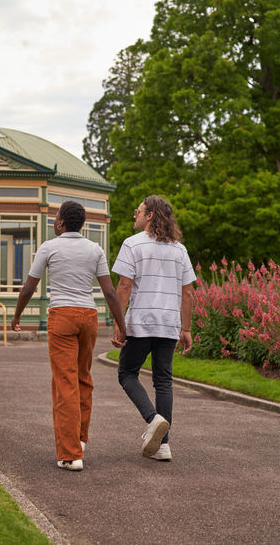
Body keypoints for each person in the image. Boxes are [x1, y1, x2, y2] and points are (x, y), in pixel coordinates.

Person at [11, 200, 125, 471]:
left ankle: (70, 454)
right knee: (83, 379)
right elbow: (109, 292)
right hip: (88, 317)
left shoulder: (49, 247)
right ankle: (80, 439)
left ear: (61, 222)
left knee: (65, 383)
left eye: (56, 217)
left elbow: (29, 287)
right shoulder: (95, 249)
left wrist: (17, 316)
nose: (53, 221)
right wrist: (123, 325)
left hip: (61, 316)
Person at [111, 195, 196, 462]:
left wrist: (118, 323)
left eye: (138, 211)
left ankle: (154, 419)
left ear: (150, 216)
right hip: (169, 325)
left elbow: (124, 287)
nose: (134, 215)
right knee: (163, 381)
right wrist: (186, 329)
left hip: (141, 323)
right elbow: (189, 292)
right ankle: (163, 446)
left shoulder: (132, 245)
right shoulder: (179, 250)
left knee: (127, 373)